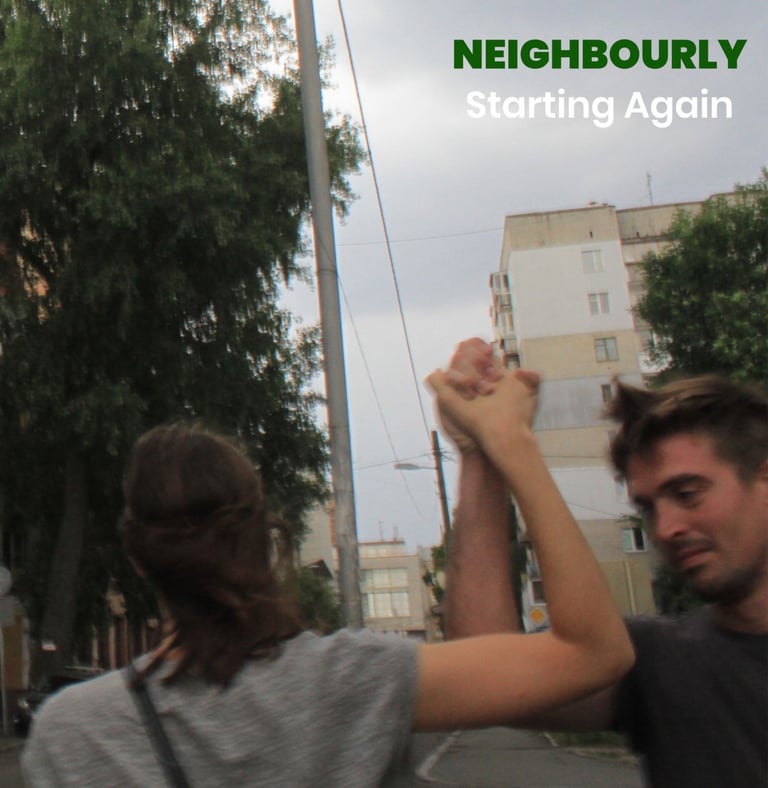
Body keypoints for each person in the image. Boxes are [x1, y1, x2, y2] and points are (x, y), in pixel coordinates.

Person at [22, 355, 633, 787]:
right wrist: (503, 441)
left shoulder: (71, 735)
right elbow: (594, 651)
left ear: (137, 556)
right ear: (267, 539)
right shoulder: (362, 682)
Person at [443, 338, 768, 788]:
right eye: (649, 509)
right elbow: (484, 667)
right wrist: (480, 448)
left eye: (688, 494)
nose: (666, 528)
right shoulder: (656, 661)